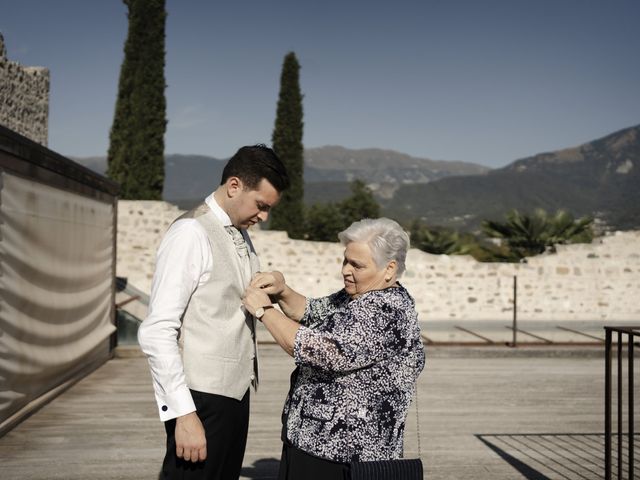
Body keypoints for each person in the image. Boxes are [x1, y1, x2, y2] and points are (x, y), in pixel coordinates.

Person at [138, 144, 289, 480]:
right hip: (200, 399)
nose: (264, 216)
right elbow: (157, 330)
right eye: (261, 205)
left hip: (235, 394)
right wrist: (184, 415)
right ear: (234, 186)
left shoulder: (240, 231)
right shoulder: (190, 233)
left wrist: (274, 282)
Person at [243, 217, 425, 479]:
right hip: (312, 442)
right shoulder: (358, 294)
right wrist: (282, 290)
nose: (346, 271)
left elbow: (320, 350)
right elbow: (310, 311)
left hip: (345, 455)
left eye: (357, 265)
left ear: (389, 269)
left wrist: (264, 310)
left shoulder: (386, 311)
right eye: (345, 260)